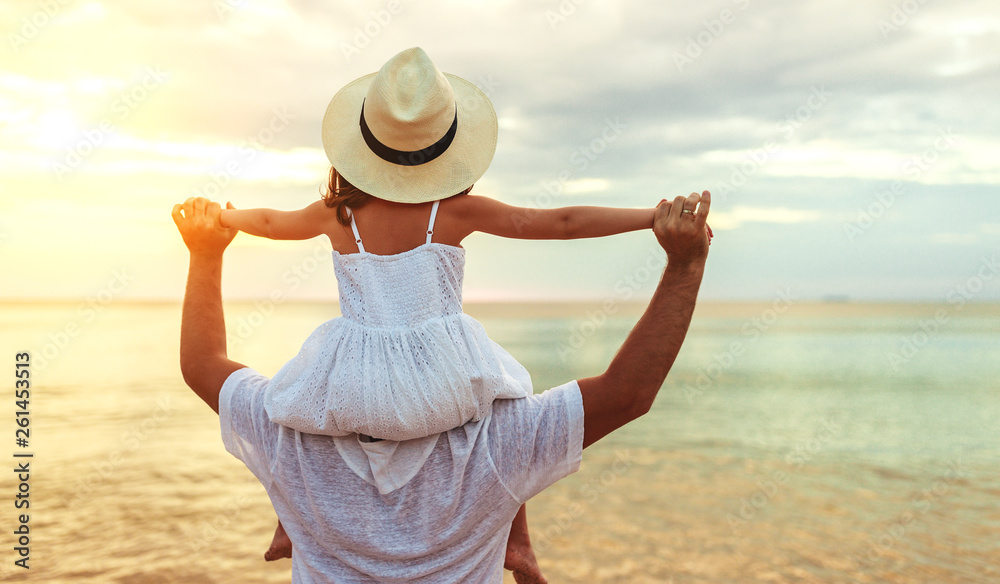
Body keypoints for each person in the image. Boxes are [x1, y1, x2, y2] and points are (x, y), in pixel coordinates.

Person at [172, 56, 711, 584]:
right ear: (450, 150)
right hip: (440, 360)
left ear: (357, 150)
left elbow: (263, 231)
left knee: (300, 415)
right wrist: (655, 220)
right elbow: (561, 223)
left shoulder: (336, 216)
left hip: (353, 362)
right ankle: (516, 538)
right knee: (503, 400)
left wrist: (215, 229)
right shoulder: (451, 213)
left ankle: (292, 513)